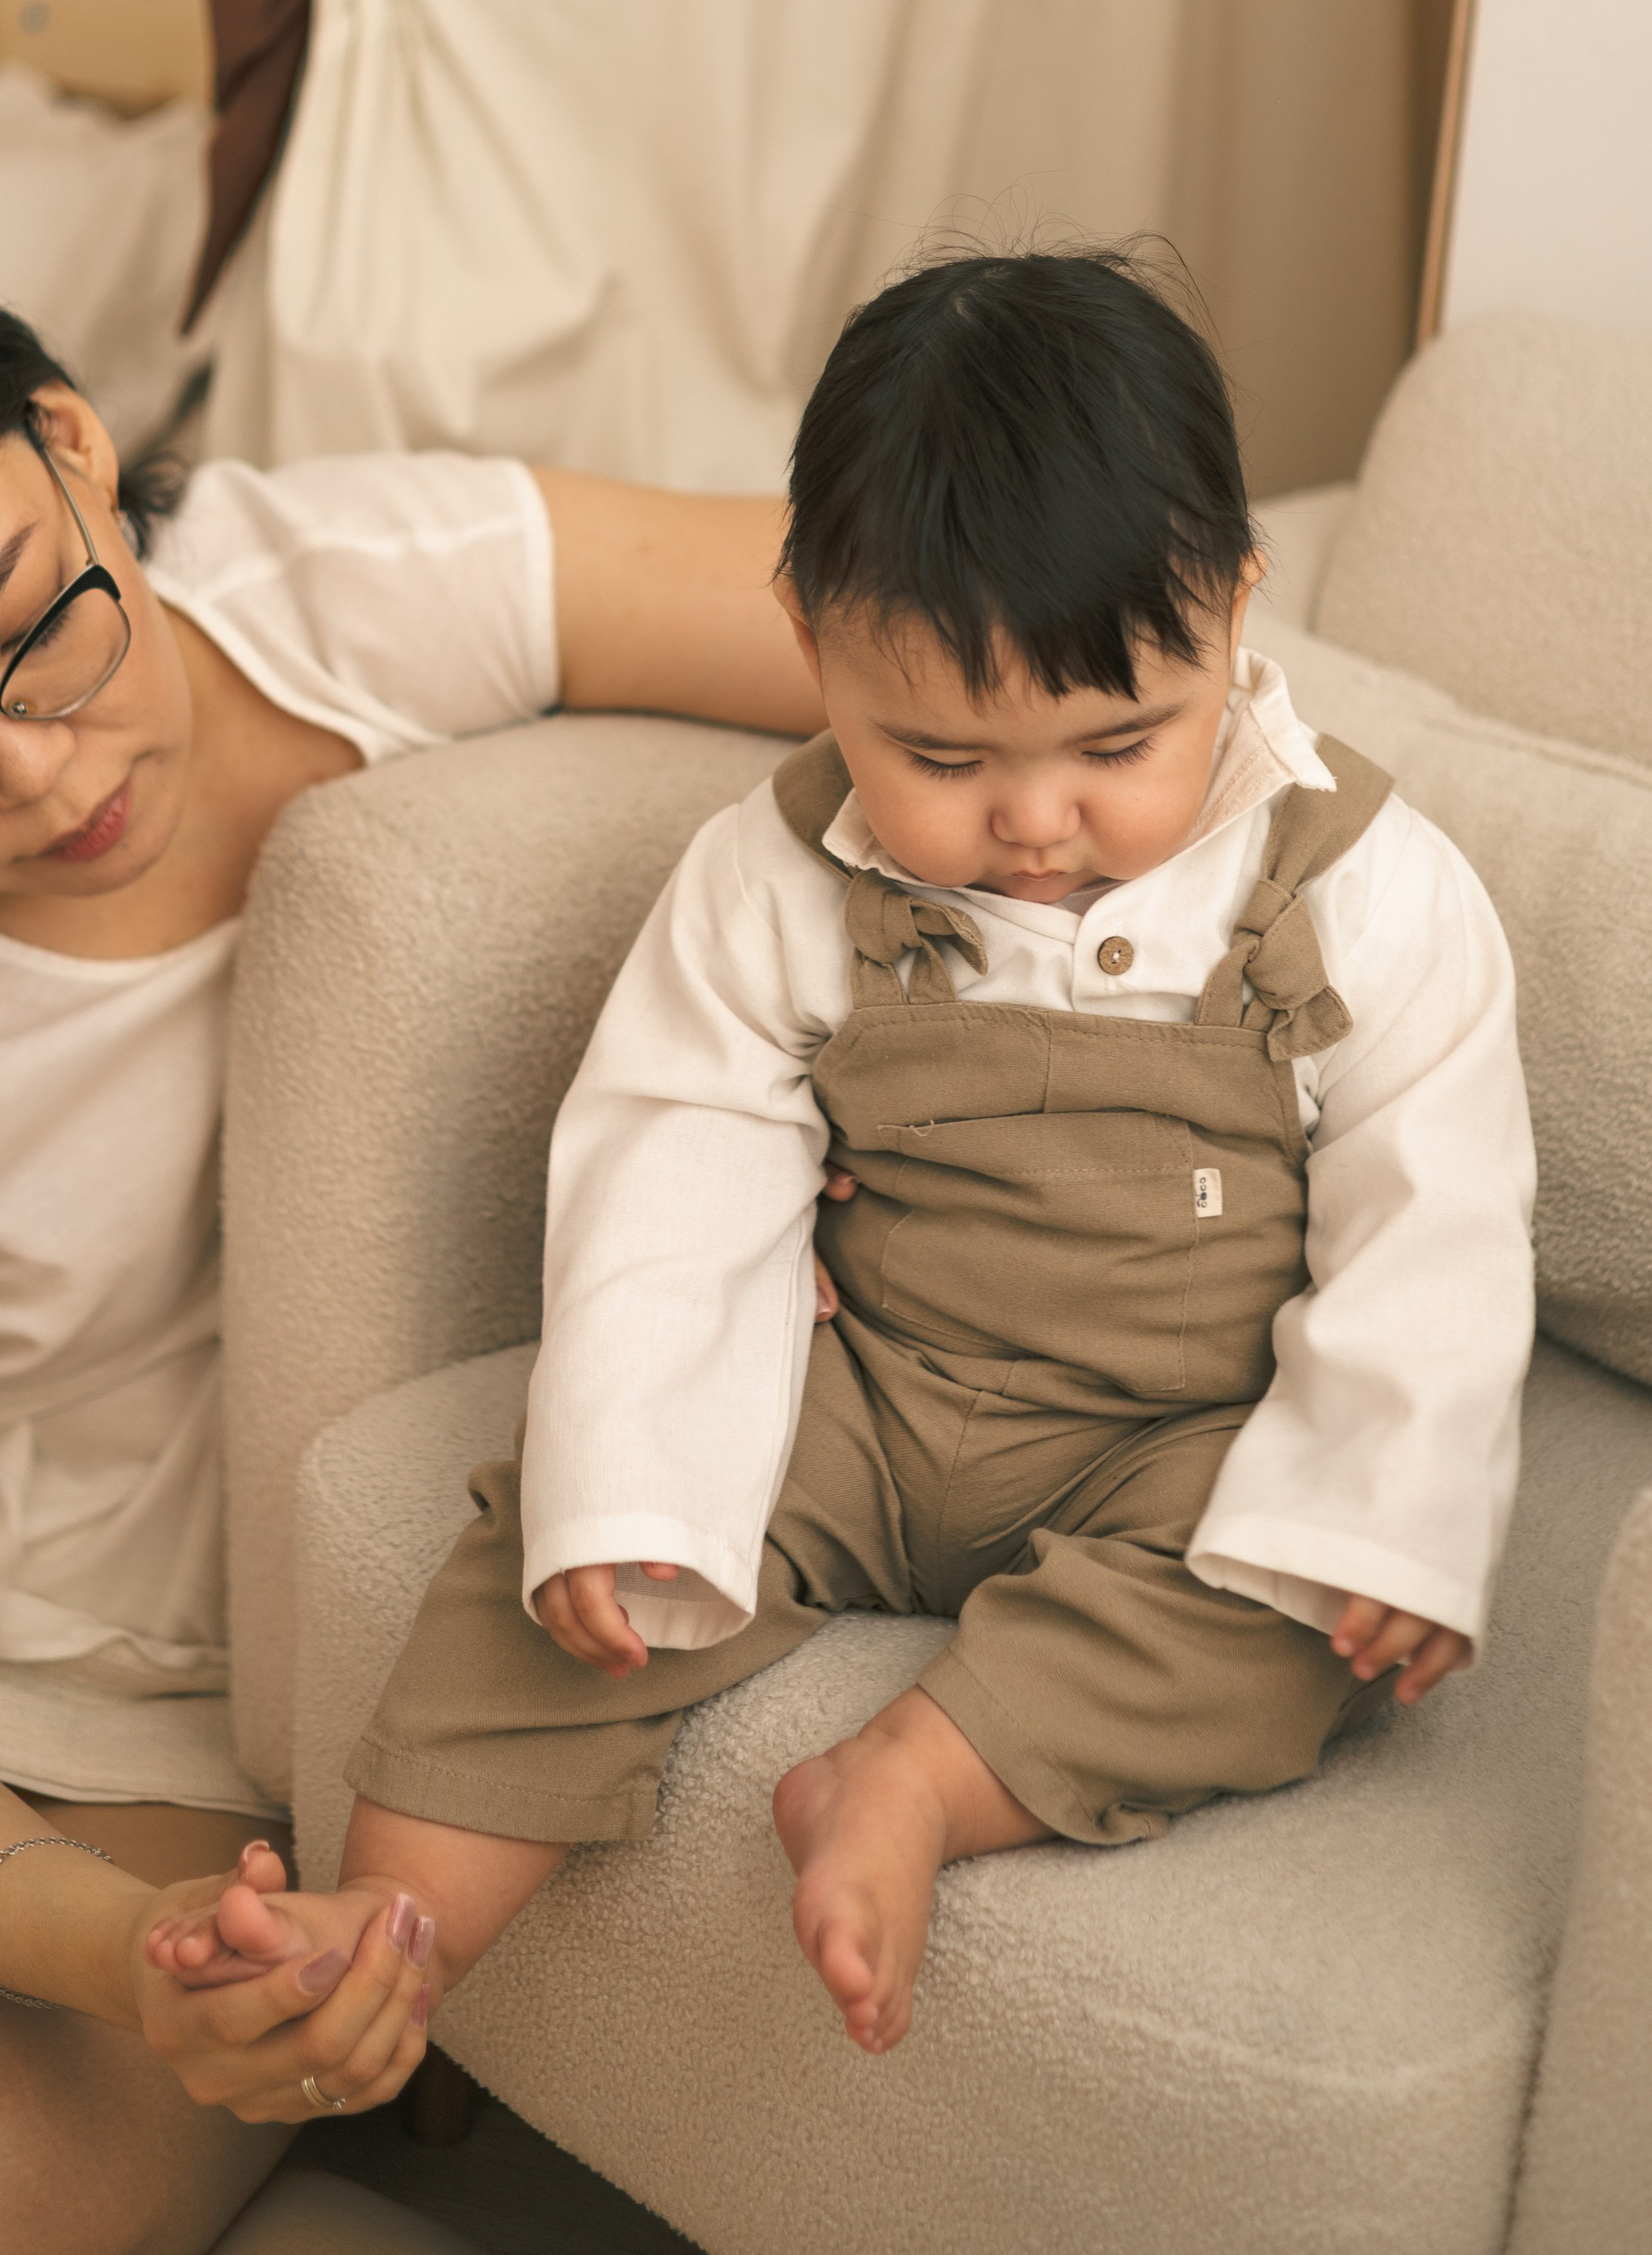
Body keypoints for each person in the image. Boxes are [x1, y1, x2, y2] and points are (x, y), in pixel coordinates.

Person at [0, 224, 822, 2255]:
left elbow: (929, 639)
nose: (37, 771)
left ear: (72, 443)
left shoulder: (354, 590)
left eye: (36, 629)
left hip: (176, 1655)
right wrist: (93, 1943)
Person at [160, 247, 1536, 2067]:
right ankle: (389, 1934)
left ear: (1231, 608)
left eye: (1119, 743)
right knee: (553, 1562)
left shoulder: (1363, 888)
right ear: (811, 645)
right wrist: (632, 1485)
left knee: (1293, 1620)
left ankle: (918, 1777)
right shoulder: (775, 873)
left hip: (1174, 1435)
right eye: (941, 757)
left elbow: (1437, 1224)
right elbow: (675, 1158)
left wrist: (1382, 1511)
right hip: (867, 1397)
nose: (1035, 822)